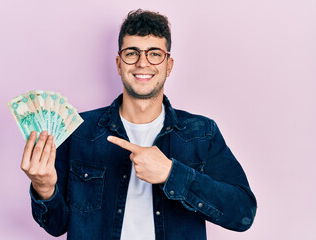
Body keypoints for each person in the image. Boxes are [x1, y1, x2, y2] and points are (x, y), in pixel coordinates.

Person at [21, 9, 257, 240]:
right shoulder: (78, 131)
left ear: (169, 65)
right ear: (118, 63)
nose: (142, 63)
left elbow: (243, 214)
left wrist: (171, 173)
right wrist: (44, 188)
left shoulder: (202, 134)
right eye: (132, 53)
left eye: (154, 54)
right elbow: (56, 226)